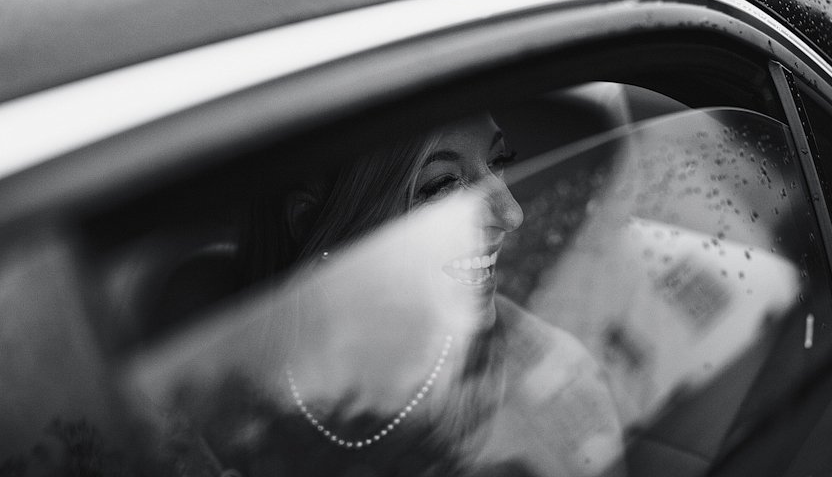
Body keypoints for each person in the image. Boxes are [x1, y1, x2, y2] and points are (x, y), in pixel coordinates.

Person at [146, 113, 625, 477]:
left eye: (499, 162)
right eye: (441, 186)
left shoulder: (553, 392)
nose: (512, 212)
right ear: (313, 224)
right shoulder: (202, 324)